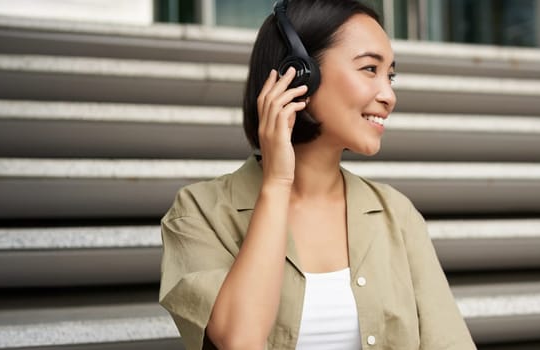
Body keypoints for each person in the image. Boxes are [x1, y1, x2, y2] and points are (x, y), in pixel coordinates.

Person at [158, 0, 475, 349]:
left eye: (391, 76)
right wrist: (277, 183)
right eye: (370, 69)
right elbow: (240, 340)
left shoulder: (396, 216)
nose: (389, 95)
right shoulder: (198, 212)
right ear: (301, 73)